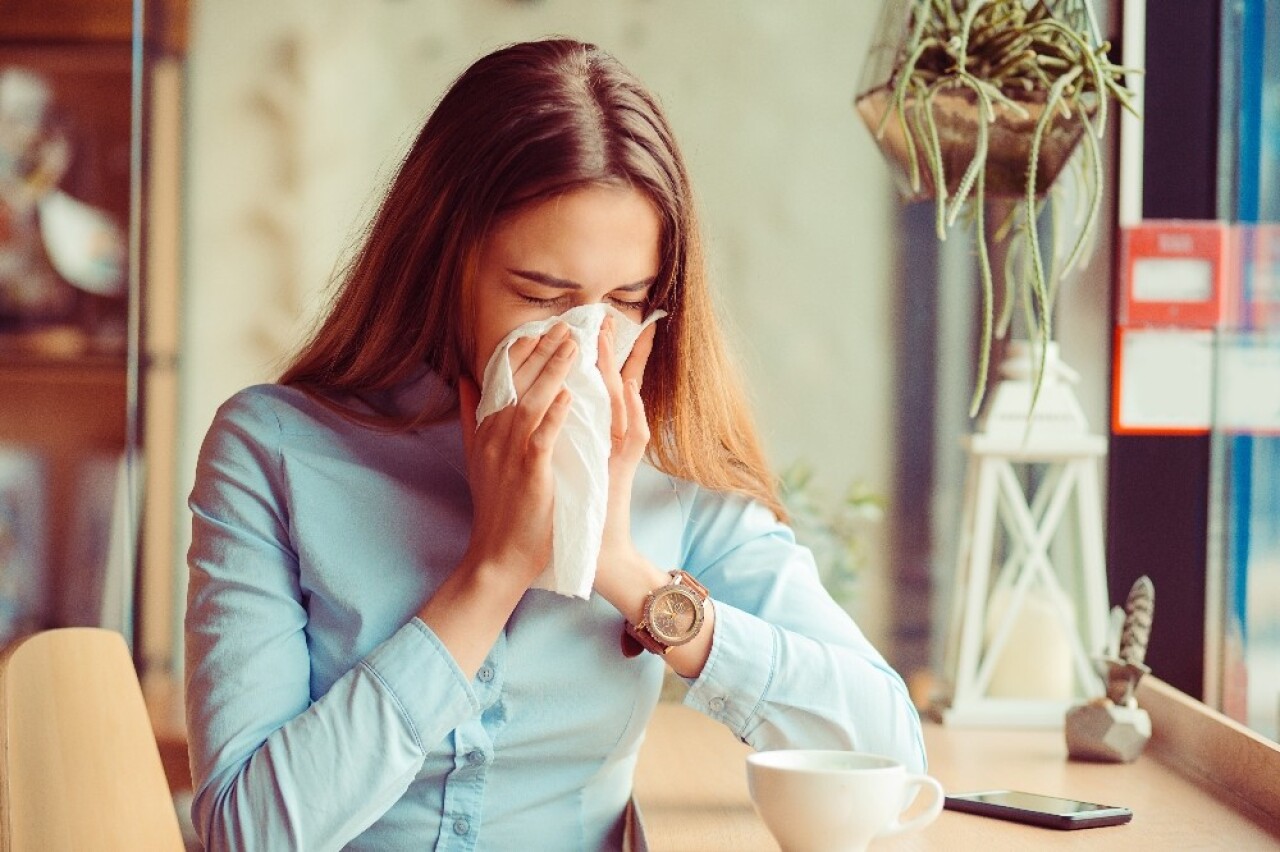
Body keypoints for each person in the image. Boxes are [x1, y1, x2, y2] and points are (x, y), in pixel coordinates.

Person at [185, 37, 926, 851]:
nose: (582, 341)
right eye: (543, 297)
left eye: (625, 300)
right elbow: (246, 835)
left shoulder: (671, 474)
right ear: (443, 266)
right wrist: (491, 573)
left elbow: (890, 752)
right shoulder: (276, 452)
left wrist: (622, 568)